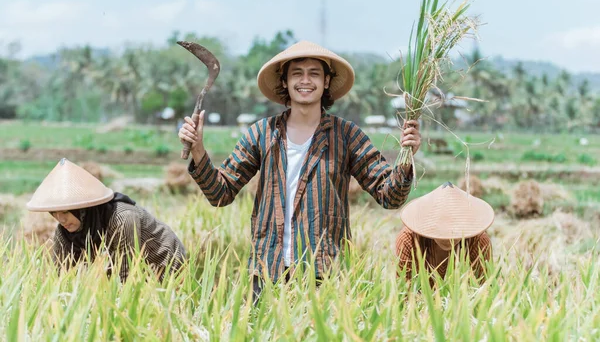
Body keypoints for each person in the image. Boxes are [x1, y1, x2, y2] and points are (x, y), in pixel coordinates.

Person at [178, 40, 421, 298]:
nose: (305, 80)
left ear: (327, 81)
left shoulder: (346, 135)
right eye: (297, 73)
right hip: (267, 271)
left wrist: (406, 157)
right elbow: (220, 193)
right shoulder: (262, 133)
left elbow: (389, 196)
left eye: (314, 73)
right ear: (284, 81)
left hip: (324, 272)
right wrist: (198, 150)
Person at [26, 158, 186, 282]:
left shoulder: (122, 218)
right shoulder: (65, 230)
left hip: (164, 262)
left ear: (81, 208)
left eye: (66, 212)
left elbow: (126, 275)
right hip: (124, 264)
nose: (60, 219)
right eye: (54, 213)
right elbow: (61, 275)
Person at [395, 181, 494, 285]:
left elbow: (484, 289)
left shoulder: (478, 241)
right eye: (441, 228)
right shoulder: (408, 239)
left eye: (455, 228)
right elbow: (404, 290)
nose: (448, 238)